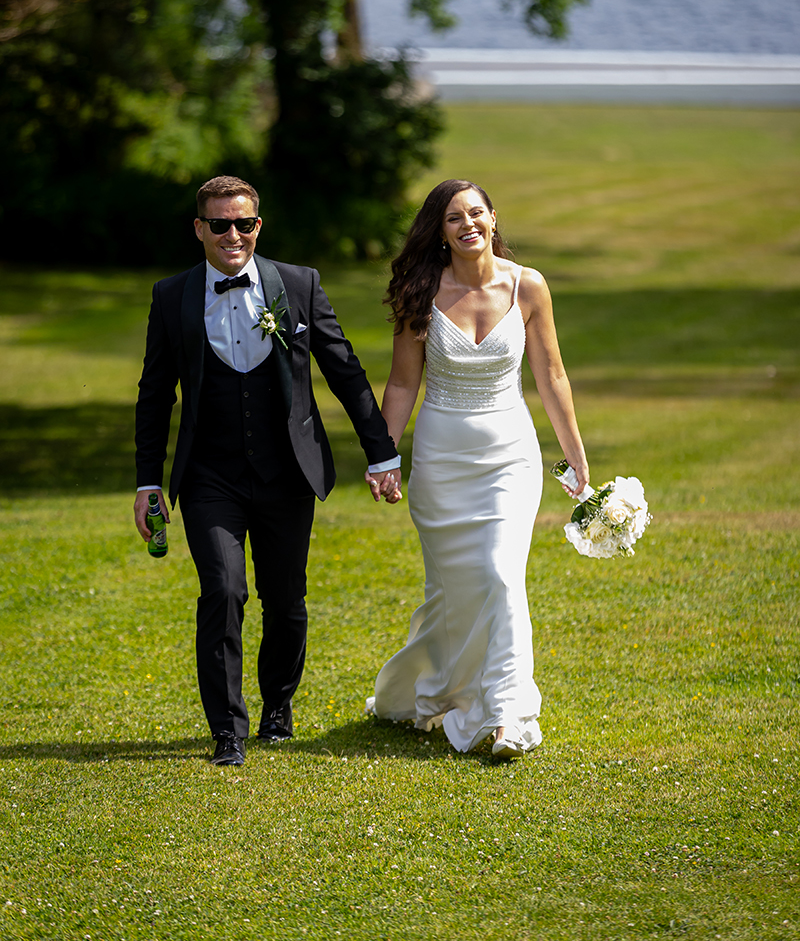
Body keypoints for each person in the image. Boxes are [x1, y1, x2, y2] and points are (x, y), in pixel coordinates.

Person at [134, 175, 400, 767]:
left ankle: (278, 706)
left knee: (286, 599)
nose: (234, 234)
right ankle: (227, 730)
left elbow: (344, 370)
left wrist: (380, 451)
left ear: (259, 224)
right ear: (199, 229)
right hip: (209, 477)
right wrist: (147, 482)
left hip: (286, 473)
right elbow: (155, 396)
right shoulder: (171, 295)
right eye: (221, 224)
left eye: (245, 223)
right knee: (223, 591)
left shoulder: (298, 285)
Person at [368, 179, 589, 758]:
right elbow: (401, 382)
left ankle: (509, 717)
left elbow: (553, 376)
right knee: (457, 589)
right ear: (439, 232)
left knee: (499, 574)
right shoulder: (421, 291)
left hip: (511, 460)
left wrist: (575, 454)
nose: (466, 224)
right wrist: (384, 454)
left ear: (493, 218)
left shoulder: (528, 286)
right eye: (452, 218)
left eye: (475, 213)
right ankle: (436, 689)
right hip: (441, 463)